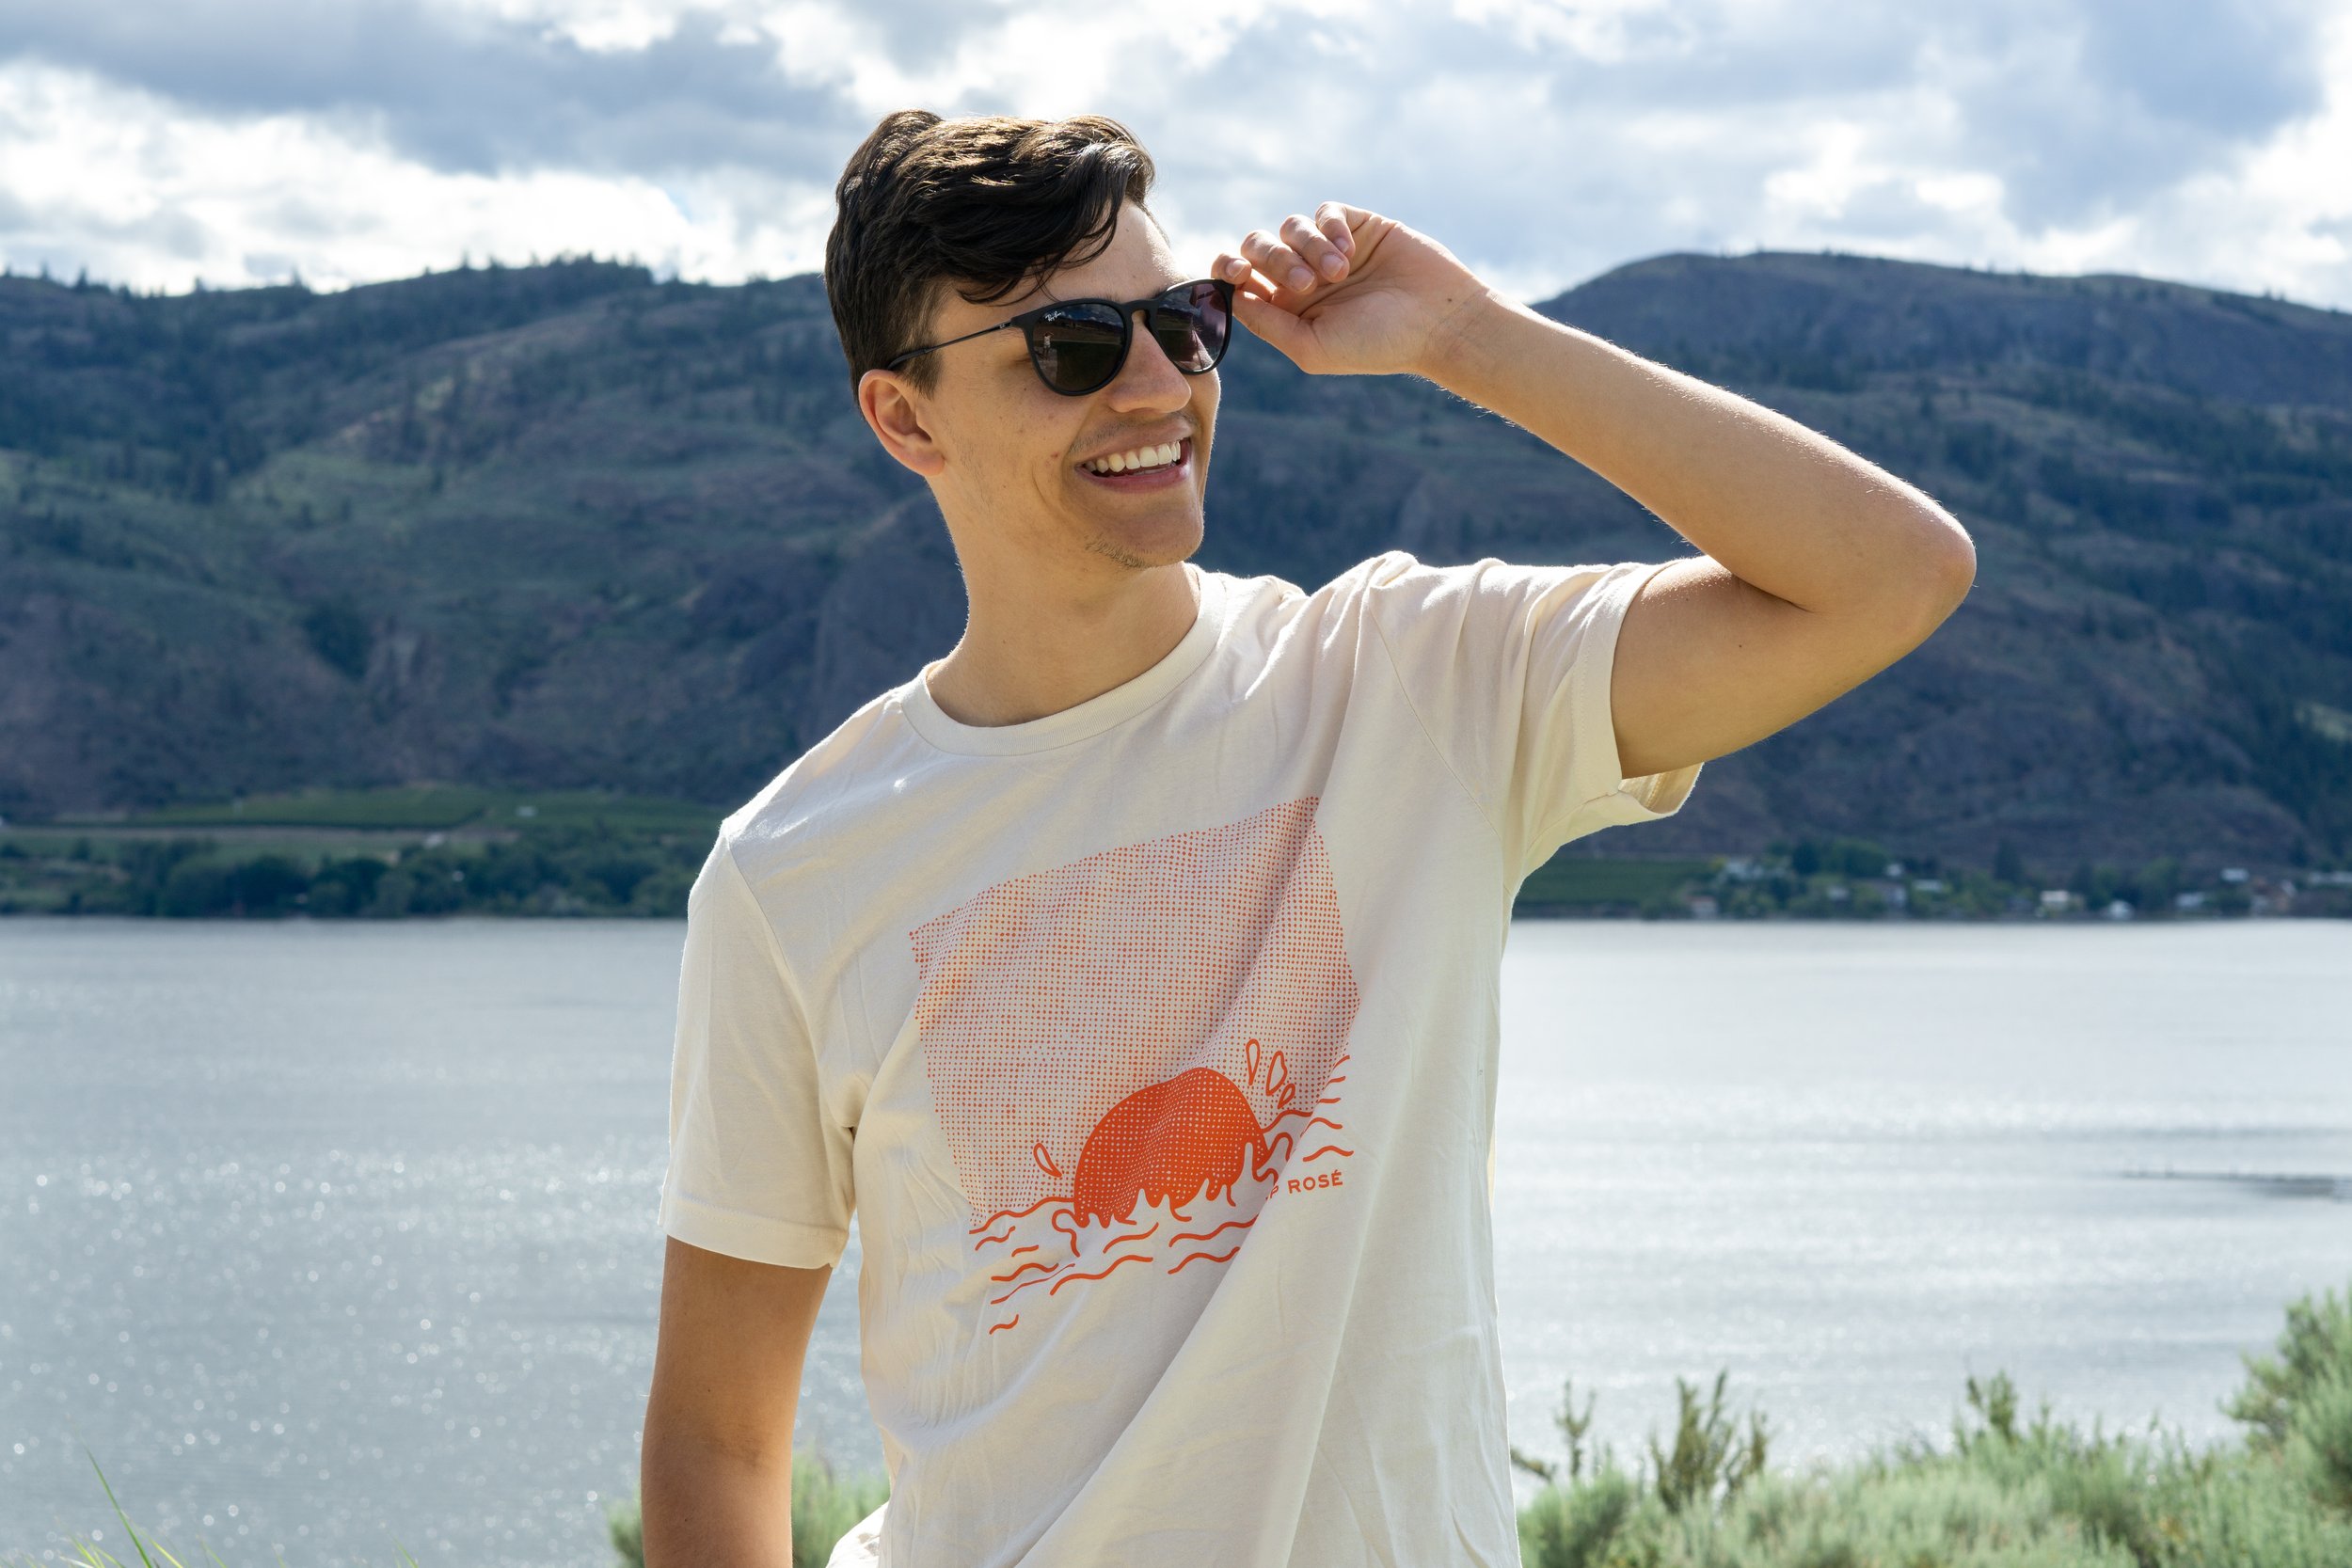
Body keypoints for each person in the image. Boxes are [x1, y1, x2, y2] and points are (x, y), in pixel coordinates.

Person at [639, 109, 1975, 1568]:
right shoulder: (792, 872)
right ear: (907, 420)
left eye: (1184, 323)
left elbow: (1892, 576)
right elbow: (720, 1438)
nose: (1158, 385)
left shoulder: (1414, 687)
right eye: (1072, 347)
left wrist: (1467, 336)